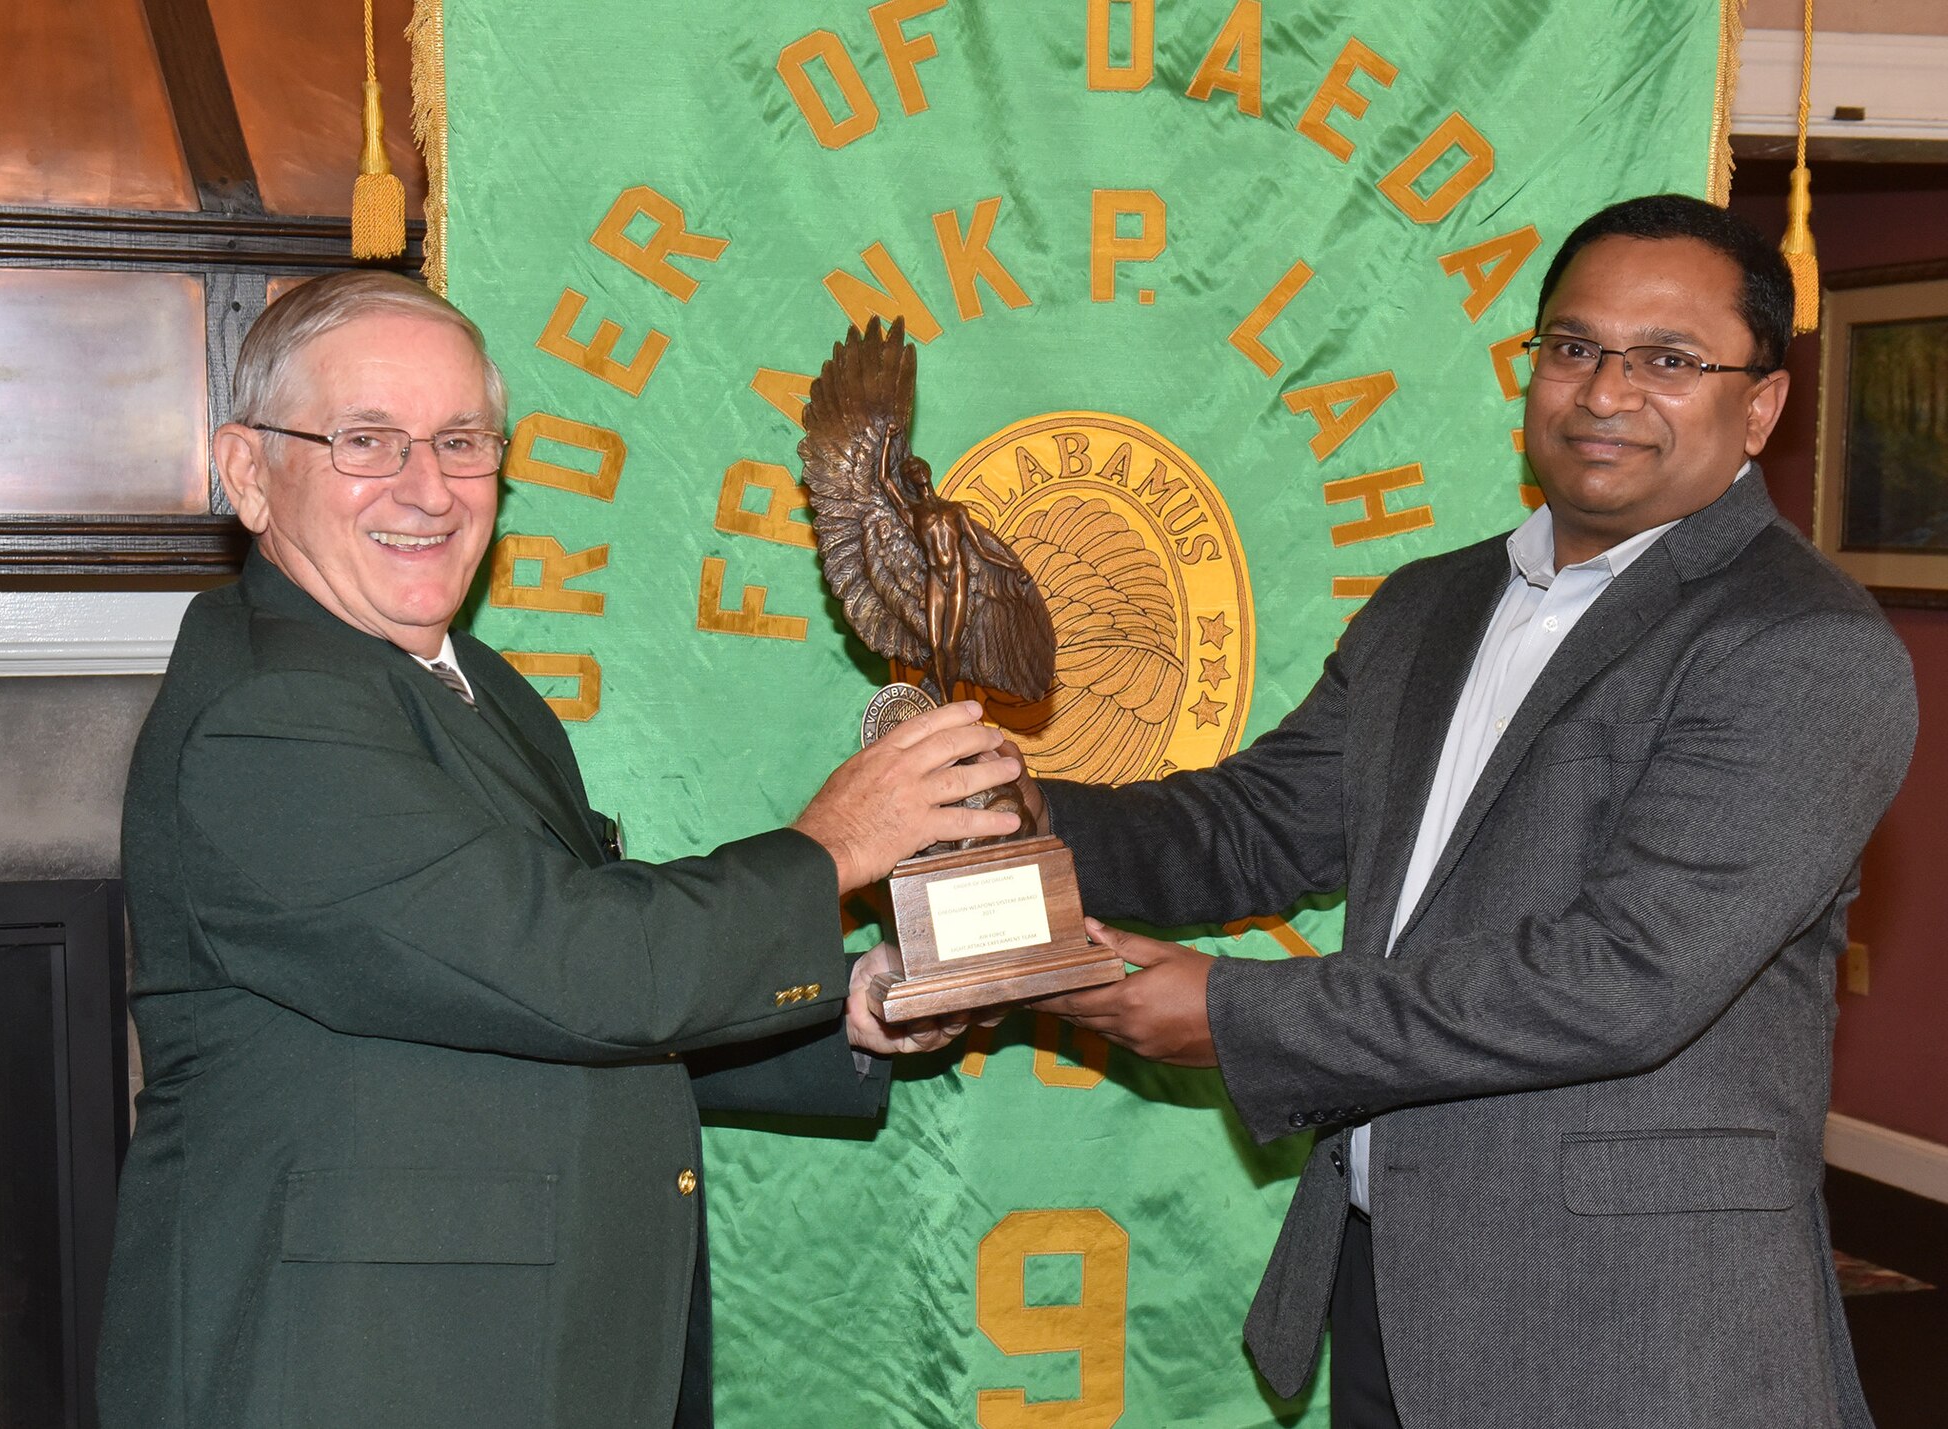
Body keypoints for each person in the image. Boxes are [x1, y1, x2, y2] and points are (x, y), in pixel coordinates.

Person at [1032, 195, 1917, 1429]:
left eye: (1668, 360)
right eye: (1571, 346)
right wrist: (1006, 814)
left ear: (1757, 405)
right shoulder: (1428, 605)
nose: (1604, 392)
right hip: (1386, 1280)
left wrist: (1226, 1013)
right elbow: (1248, 829)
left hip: (1628, 1321)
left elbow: (1620, 981)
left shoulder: (1800, 647)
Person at [97, 271, 1022, 1429]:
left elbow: (513, 996)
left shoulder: (470, 682)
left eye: (460, 440)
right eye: (366, 440)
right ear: (246, 472)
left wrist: (847, 1006)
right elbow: (578, 966)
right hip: (363, 1373)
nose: (426, 488)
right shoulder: (271, 715)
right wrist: (831, 844)